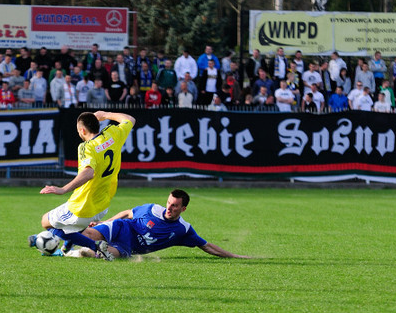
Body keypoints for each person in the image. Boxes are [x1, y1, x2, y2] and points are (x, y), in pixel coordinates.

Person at [29, 111, 135, 259]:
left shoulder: (86, 147)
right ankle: (65, 246)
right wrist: (105, 114)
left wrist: (63, 189)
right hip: (103, 204)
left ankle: (95, 246)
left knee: (46, 221)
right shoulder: (113, 133)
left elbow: (88, 173)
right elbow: (130, 119)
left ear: (82, 130)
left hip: (82, 205)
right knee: (71, 228)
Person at [70, 189, 249, 261]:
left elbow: (207, 246)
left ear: (183, 208)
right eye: (169, 203)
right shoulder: (151, 209)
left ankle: (76, 252)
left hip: (128, 246)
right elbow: (126, 213)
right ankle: (57, 237)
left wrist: (234, 256)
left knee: (106, 254)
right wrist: (103, 223)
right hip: (121, 227)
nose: (169, 208)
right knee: (88, 233)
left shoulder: (183, 230)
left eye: (175, 205)